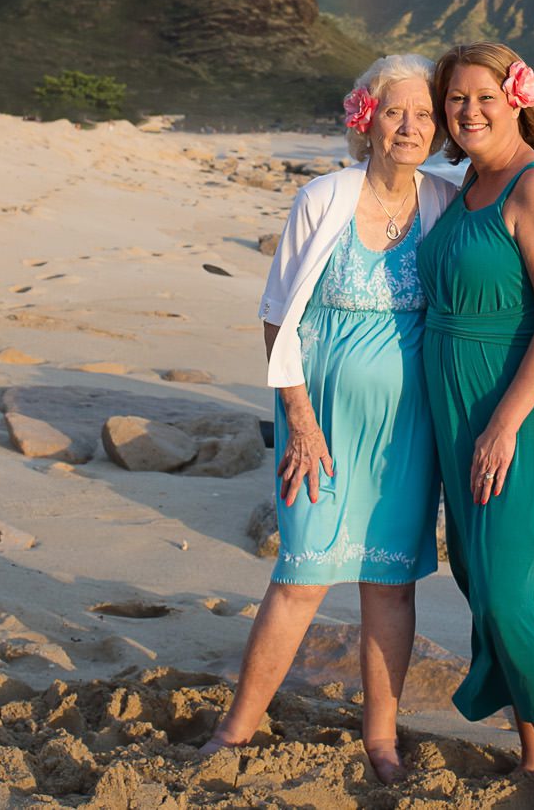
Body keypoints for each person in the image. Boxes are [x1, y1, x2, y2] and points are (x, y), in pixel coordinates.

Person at [202, 54, 459, 784]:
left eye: (423, 115)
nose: (409, 126)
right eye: (395, 111)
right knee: (302, 574)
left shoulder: (445, 202)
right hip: (318, 420)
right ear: (366, 120)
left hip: (407, 430)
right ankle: (234, 729)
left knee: (390, 584)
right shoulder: (323, 197)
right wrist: (300, 418)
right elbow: (276, 315)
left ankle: (382, 740)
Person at [417, 42, 534, 810]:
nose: (469, 112)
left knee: (512, 595)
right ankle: (528, 750)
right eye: (455, 99)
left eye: (484, 96)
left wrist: (505, 424)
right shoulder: (462, 188)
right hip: (458, 407)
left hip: (523, 408)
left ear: (518, 97)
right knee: (477, 578)